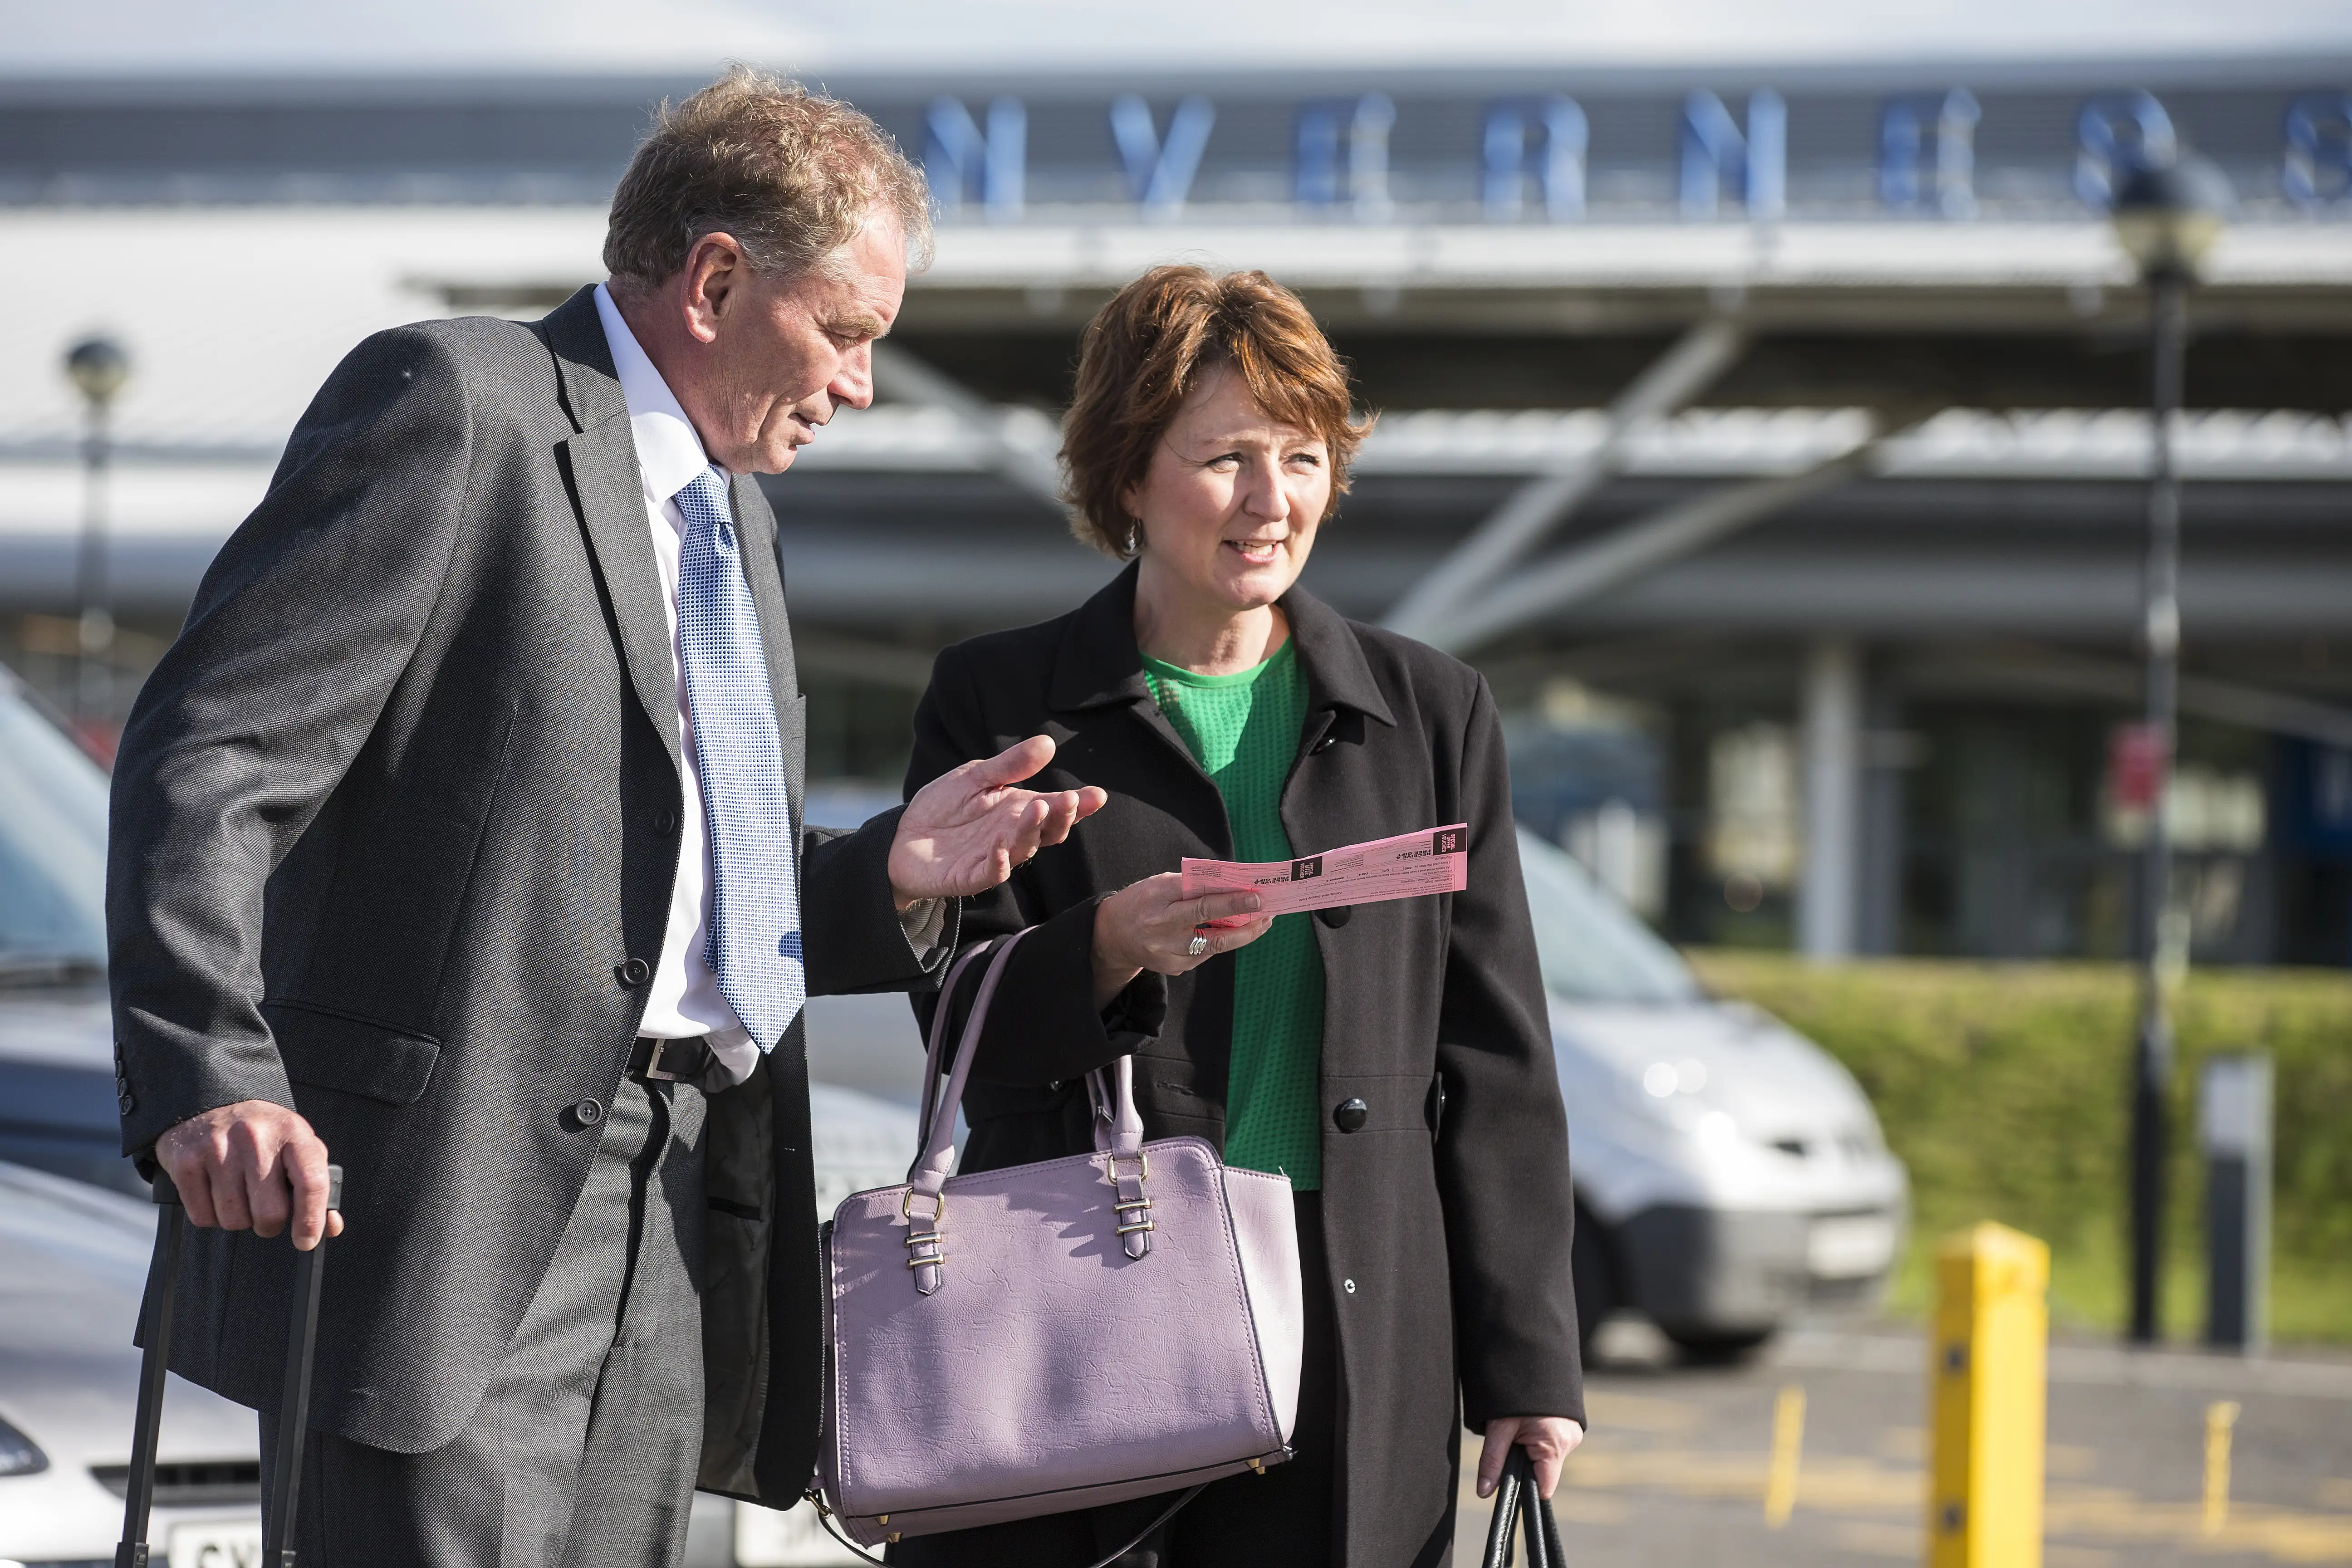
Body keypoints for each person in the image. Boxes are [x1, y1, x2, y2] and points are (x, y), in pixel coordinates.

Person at [107, 69, 1104, 1568]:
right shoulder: (458, 408)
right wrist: (209, 1073)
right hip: (436, 1217)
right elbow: (210, 754)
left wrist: (886, 877)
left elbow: (663, 889)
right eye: (847, 332)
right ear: (714, 281)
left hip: (672, 1206)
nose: (859, 386)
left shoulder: (735, 520)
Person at [899, 265, 1584, 1568]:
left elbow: (1497, 1061)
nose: (1273, 502)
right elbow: (955, 1013)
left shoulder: (1433, 713)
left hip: (1355, 1325)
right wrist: (1101, 953)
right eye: (1224, 458)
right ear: (1126, 475)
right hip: (1086, 1301)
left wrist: (1529, 1363)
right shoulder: (999, 702)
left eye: (1305, 455)